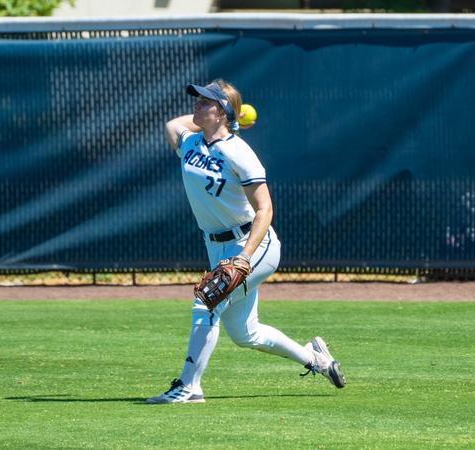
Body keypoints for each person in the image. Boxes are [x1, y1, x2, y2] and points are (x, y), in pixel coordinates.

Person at [146, 80, 345, 404]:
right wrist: (228, 116)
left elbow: (265, 209)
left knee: (206, 303)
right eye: (197, 99)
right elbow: (172, 124)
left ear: (222, 112)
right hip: (216, 246)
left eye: (206, 102)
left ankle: (188, 386)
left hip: (253, 242)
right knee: (246, 333)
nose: (197, 104)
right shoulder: (190, 143)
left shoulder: (239, 154)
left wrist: (244, 257)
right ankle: (316, 359)